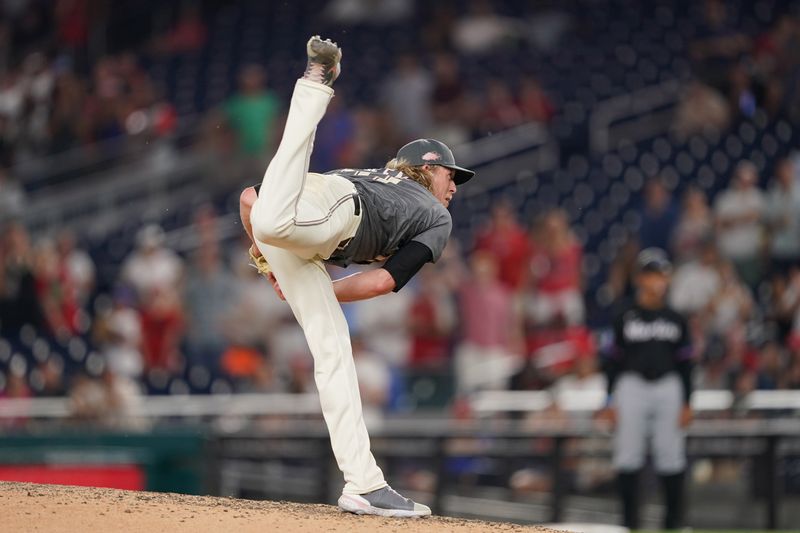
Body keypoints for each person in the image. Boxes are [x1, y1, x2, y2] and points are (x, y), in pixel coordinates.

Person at [237, 36, 475, 518]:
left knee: (333, 350)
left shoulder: (384, 180)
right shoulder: (436, 213)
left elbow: (247, 198)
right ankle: (316, 81)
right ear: (426, 169)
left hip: (308, 233)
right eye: (451, 174)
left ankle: (364, 483)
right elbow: (384, 281)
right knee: (271, 220)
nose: (455, 185)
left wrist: (276, 275)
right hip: (335, 209)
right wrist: (319, 287)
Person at [597, 248, 694, 530]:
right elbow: (612, 363)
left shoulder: (676, 318)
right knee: (628, 454)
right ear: (639, 278)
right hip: (631, 386)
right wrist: (609, 400)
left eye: (660, 274)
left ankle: (674, 524)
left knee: (671, 455)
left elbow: (687, 364)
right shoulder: (624, 315)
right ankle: (629, 525)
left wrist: (688, 402)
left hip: (669, 386)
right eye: (650, 274)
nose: (655, 280)